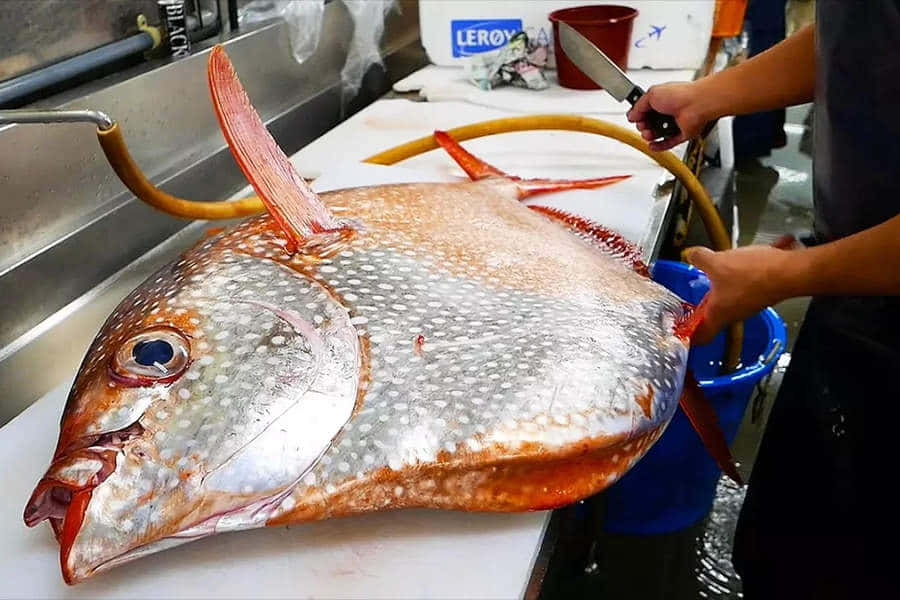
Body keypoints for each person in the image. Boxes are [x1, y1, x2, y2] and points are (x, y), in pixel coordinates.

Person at [627, 3, 898, 598]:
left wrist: (792, 273)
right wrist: (709, 95)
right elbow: (857, 34)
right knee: (789, 551)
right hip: (853, 290)